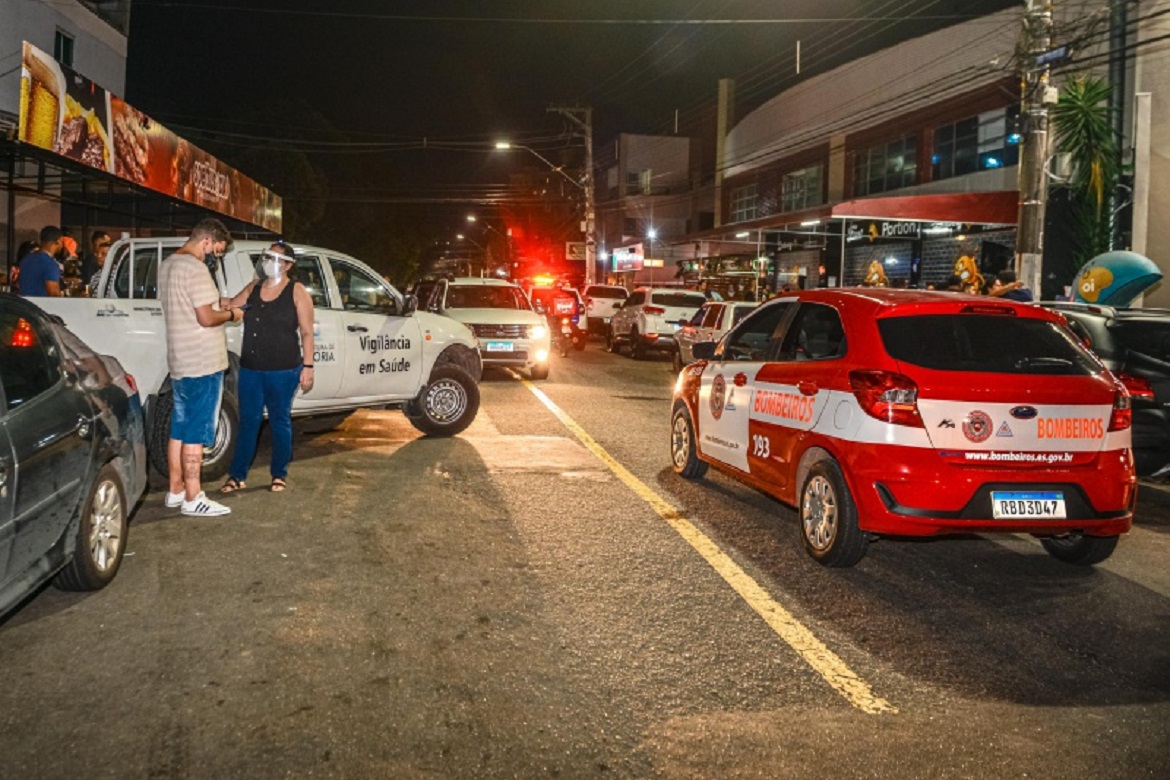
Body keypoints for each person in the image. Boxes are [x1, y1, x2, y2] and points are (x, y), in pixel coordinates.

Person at [158, 218, 240, 517]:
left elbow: (193, 305)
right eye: (215, 250)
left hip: (180, 360)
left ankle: (176, 490)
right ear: (206, 240)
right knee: (197, 430)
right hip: (203, 361)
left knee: (179, 427)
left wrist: (225, 304)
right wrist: (231, 315)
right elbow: (206, 318)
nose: (213, 256)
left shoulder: (169, 264)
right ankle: (194, 496)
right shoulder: (195, 268)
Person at [219, 242, 315, 494]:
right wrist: (210, 301)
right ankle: (237, 475)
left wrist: (308, 366)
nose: (268, 261)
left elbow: (306, 332)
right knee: (249, 422)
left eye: (275, 257)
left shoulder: (296, 291)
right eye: (267, 256)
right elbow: (231, 305)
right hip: (251, 368)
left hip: (284, 370)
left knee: (279, 420)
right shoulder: (254, 287)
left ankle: (279, 473)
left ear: (288, 265)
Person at [17, 226, 65, 297]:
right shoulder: (50, 264)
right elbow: (54, 295)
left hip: (24, 305)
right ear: (57, 241)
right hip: (40, 306)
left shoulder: (27, 259)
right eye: (62, 242)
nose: (62, 245)